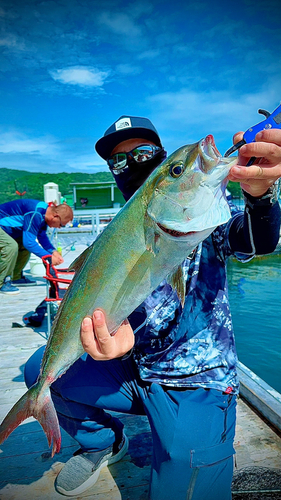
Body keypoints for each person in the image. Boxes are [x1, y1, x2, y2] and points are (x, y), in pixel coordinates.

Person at [24, 116, 281, 499]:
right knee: (39, 371)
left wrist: (261, 197)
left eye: (142, 152)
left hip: (197, 379)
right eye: (118, 160)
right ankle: (102, 443)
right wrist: (112, 337)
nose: (130, 164)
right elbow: (111, 300)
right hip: (133, 366)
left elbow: (256, 240)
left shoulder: (208, 218)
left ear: (159, 157)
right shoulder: (115, 231)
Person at [0, 199, 73, 295]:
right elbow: (29, 242)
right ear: (55, 216)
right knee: (11, 246)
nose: (59, 227)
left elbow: (41, 236)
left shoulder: (44, 214)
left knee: (21, 244)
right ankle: (2, 282)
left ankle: (16, 277)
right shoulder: (36, 213)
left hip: (7, 229)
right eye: (61, 225)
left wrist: (53, 252)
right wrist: (48, 257)